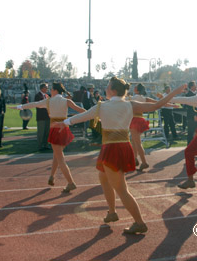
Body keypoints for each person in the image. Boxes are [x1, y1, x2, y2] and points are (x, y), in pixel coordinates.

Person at [58, 77, 186, 234]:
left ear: (112, 90)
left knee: (121, 189)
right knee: (103, 177)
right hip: (123, 146)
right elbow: (156, 105)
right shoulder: (130, 104)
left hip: (111, 149)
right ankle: (112, 212)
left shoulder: (102, 107)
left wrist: (64, 123)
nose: (105, 89)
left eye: (107, 87)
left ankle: (139, 222)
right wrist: (174, 92)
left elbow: (81, 117)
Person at [13, 82, 85, 193]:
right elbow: (80, 110)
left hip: (55, 130)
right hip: (64, 130)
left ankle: (71, 182)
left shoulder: (49, 101)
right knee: (57, 155)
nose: (50, 91)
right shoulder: (66, 101)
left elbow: (34, 104)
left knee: (60, 158)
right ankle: (52, 177)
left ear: (55, 90)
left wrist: (20, 107)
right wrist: (94, 114)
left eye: (51, 89)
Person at [35, 83, 50, 151]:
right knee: (41, 132)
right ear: (42, 88)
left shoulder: (47, 95)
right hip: (41, 117)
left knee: (47, 132)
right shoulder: (38, 95)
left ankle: (46, 145)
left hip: (47, 116)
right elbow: (38, 105)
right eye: (46, 87)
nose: (47, 89)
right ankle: (40, 146)